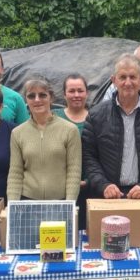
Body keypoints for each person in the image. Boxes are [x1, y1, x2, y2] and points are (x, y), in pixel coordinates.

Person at [83, 54, 140, 208]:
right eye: (122, 77)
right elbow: (88, 156)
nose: (128, 82)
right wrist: (103, 185)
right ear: (114, 80)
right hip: (107, 198)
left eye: (132, 77)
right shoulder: (96, 115)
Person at [7, 77, 81, 201]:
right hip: (28, 200)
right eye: (31, 96)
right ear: (26, 100)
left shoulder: (70, 130)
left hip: (61, 201)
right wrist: (12, 205)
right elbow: (15, 173)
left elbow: (74, 171)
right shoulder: (17, 133)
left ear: (51, 98)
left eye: (42, 95)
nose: (37, 100)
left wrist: (70, 203)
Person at [54, 73, 90, 229]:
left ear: (87, 93)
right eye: (71, 91)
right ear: (64, 94)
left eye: (80, 91)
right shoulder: (54, 117)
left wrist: (88, 180)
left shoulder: (96, 117)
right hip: (59, 190)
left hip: (90, 189)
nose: (76, 95)